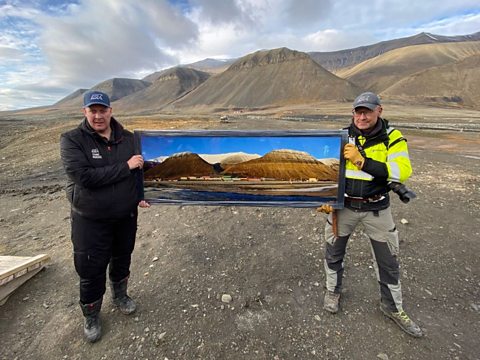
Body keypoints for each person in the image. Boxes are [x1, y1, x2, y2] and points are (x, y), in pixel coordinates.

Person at [317, 92, 423, 337]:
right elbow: (327, 171)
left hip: (377, 209)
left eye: (367, 111)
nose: (361, 116)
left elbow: (401, 171)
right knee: (333, 253)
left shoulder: (392, 138)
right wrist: (325, 199)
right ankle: (333, 291)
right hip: (343, 208)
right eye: (357, 111)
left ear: (379, 111)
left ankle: (392, 307)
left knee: (388, 261)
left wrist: (362, 161)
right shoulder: (342, 136)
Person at [60, 90, 150, 343]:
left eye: (103, 110)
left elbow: (139, 172)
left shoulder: (130, 139)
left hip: (125, 215)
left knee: (122, 257)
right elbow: (84, 177)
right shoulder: (72, 140)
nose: (98, 116)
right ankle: (91, 314)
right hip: (90, 218)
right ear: (85, 112)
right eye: (93, 110)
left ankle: (120, 295)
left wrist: (141, 194)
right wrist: (125, 166)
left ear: (111, 111)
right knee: (90, 267)